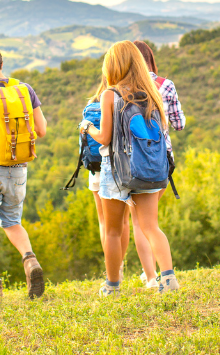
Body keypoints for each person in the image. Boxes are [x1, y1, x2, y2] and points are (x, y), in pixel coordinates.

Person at [79, 41, 179, 296]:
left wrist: (86, 128)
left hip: (116, 170)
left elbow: (104, 137)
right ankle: (168, 278)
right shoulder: (151, 93)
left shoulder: (109, 94)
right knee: (151, 226)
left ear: (113, 66)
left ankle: (112, 286)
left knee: (113, 230)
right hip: (148, 167)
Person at [0, 43, 47, 304]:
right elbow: (42, 129)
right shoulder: (25, 90)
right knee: (13, 223)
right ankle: (30, 259)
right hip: (19, 169)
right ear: (1, 62)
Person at [130, 40, 185, 288]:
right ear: (150, 59)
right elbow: (180, 124)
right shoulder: (166, 85)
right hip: (162, 160)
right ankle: (161, 274)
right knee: (151, 220)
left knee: (140, 222)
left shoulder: (121, 88)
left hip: (132, 162)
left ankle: (151, 276)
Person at [84, 79, 130, 284]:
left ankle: (110, 272)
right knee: (123, 222)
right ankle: (118, 268)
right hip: (123, 166)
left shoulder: (93, 102)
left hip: (97, 167)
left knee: (105, 222)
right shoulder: (126, 99)